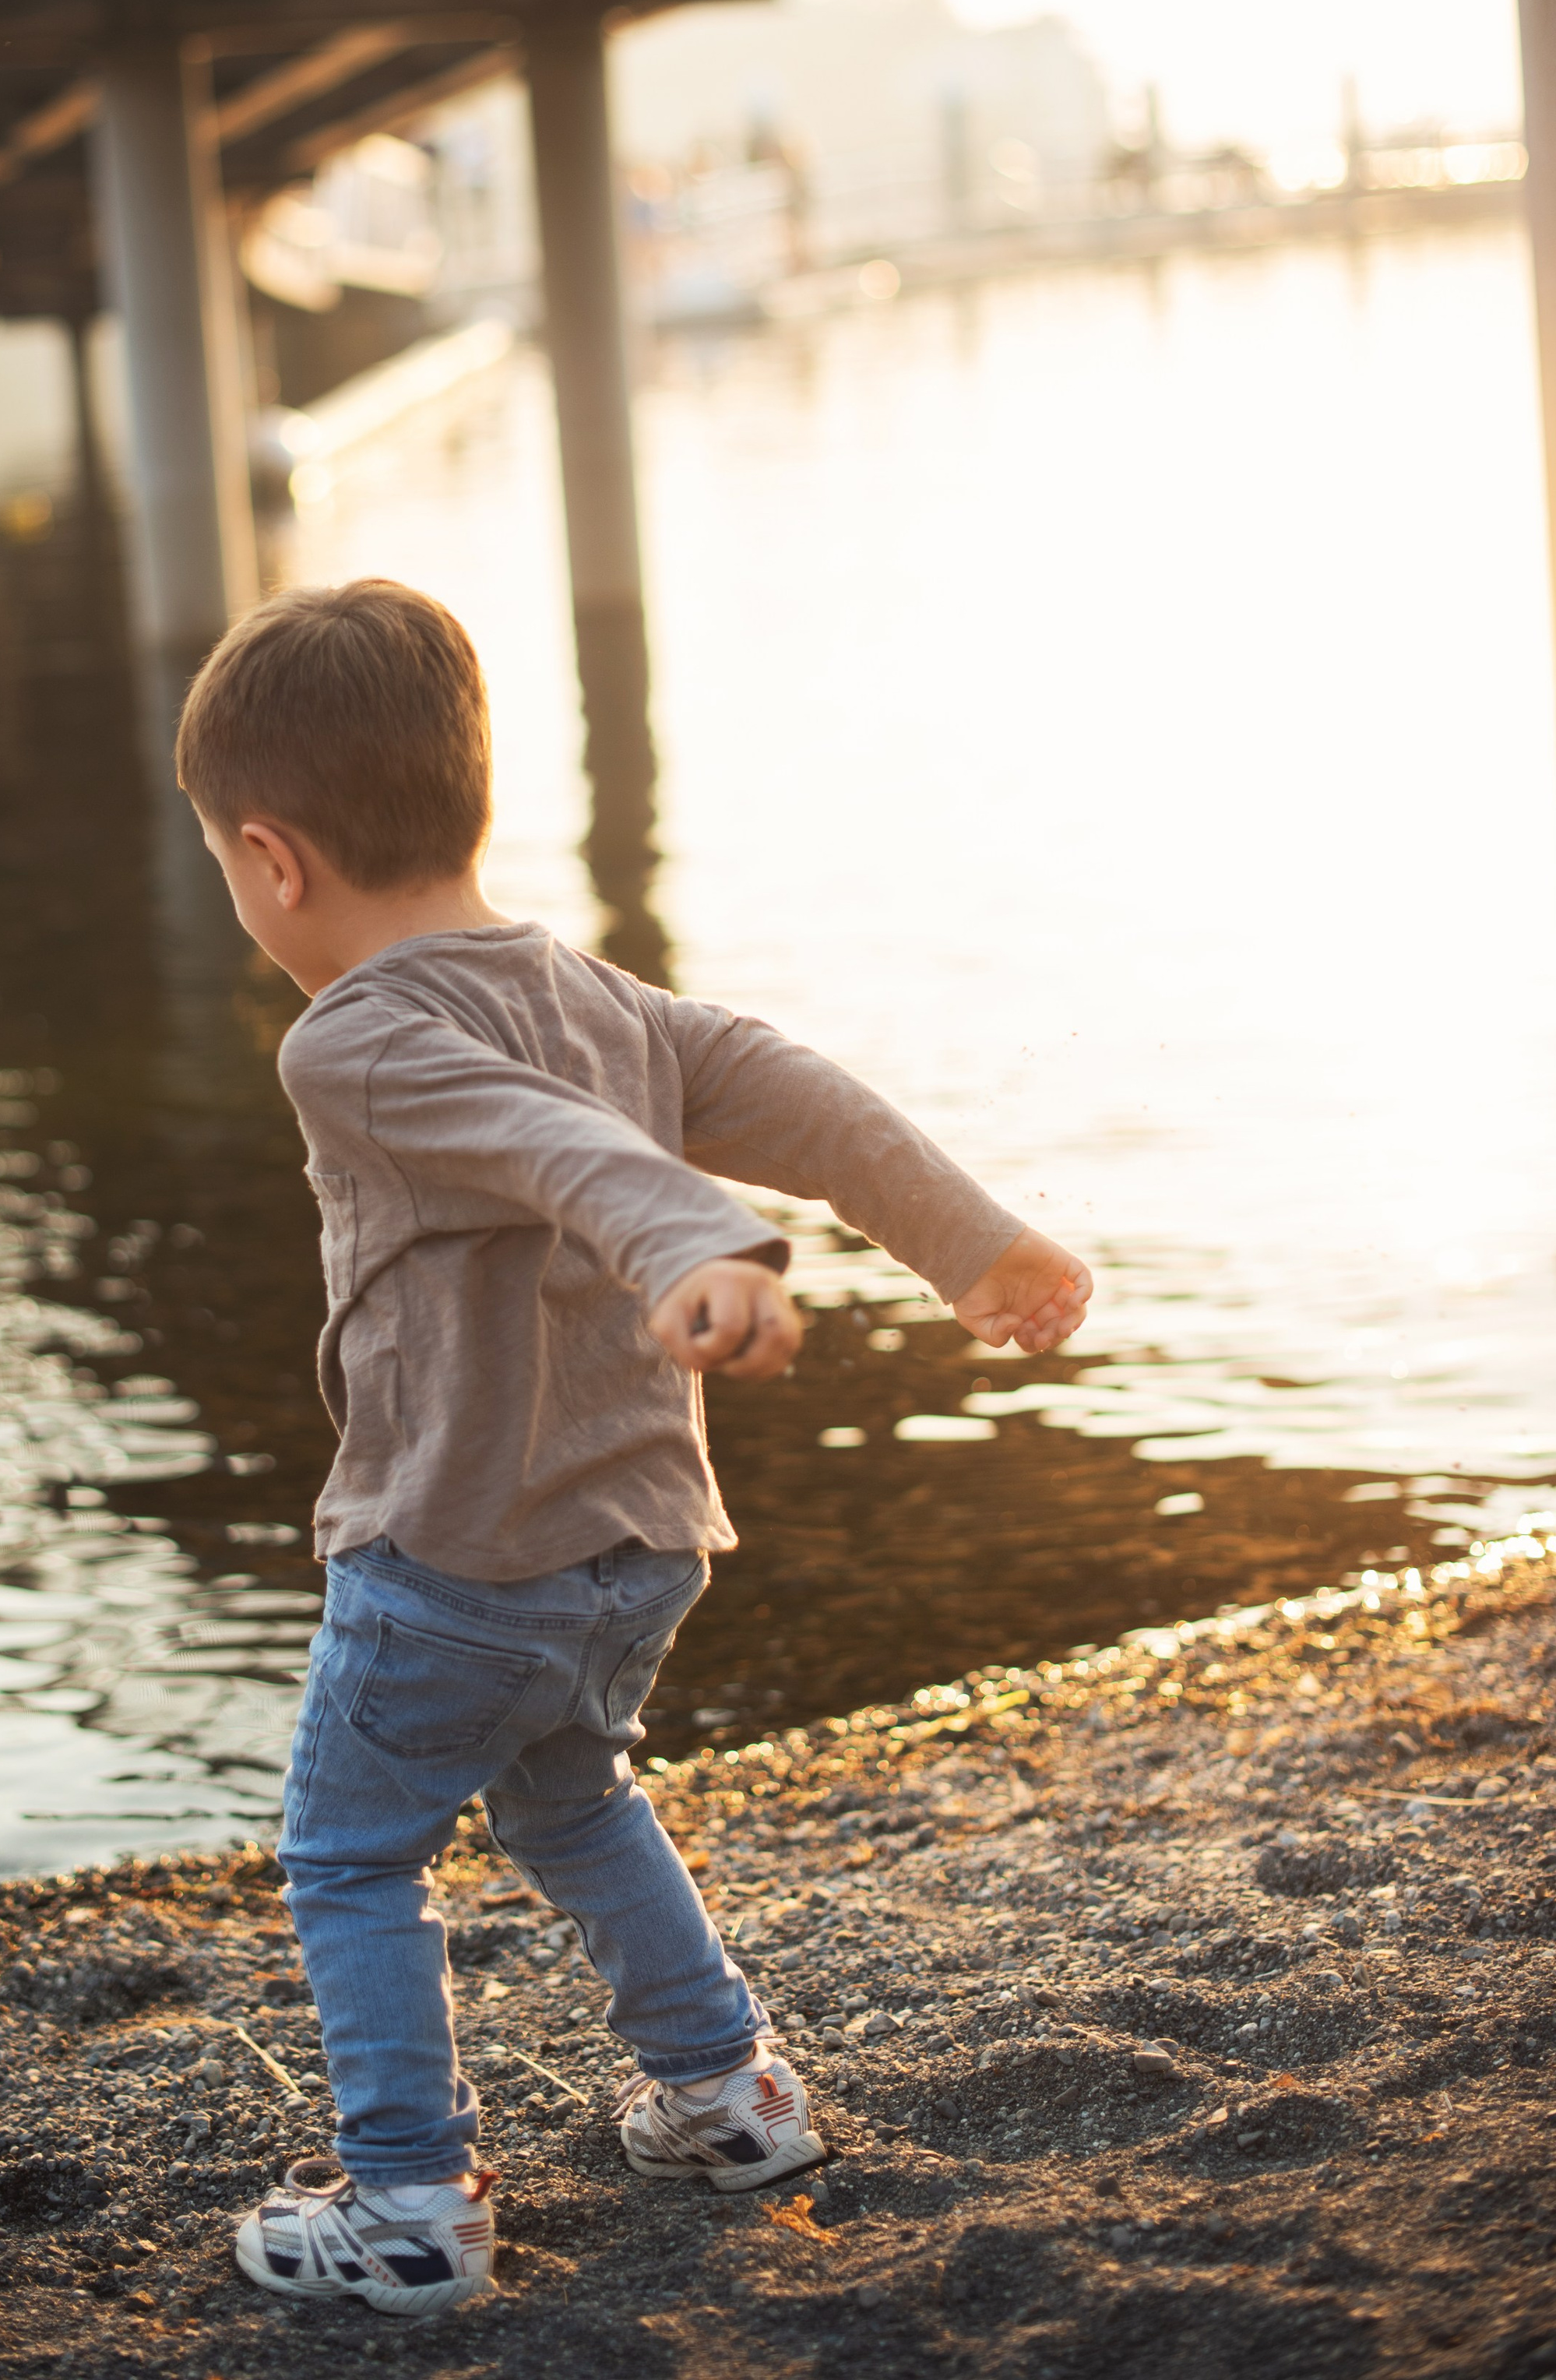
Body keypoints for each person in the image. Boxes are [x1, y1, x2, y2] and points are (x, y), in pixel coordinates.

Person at [175, 579, 1092, 2320]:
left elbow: (540, 1145)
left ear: (272, 859)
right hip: (634, 1553)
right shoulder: (592, 992)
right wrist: (971, 1239)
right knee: (569, 1789)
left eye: (224, 864)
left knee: (352, 1853)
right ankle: (725, 2095)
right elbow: (795, 1087)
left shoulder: (348, 1041)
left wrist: (688, 1241)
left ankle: (406, 2201)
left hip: (451, 1559)